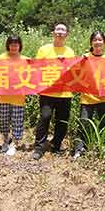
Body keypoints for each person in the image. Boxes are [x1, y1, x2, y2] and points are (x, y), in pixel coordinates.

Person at [32, 22, 75, 160]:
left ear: (67, 34)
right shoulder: (44, 49)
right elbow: (36, 68)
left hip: (65, 92)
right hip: (47, 91)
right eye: (58, 29)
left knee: (62, 121)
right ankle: (39, 147)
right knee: (45, 117)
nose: (60, 32)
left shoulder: (70, 51)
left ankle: (56, 145)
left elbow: (73, 71)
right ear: (53, 33)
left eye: (63, 30)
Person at [73, 31, 105, 160]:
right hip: (87, 98)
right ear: (91, 42)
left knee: (104, 124)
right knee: (84, 124)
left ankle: (104, 147)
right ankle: (79, 149)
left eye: (100, 40)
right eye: (95, 40)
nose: (97, 42)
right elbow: (75, 73)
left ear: (104, 42)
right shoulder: (85, 57)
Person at [0, 35, 28, 156]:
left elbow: (32, 76)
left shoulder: (25, 60)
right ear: (8, 45)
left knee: (17, 121)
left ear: (20, 46)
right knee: (3, 120)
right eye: (11, 44)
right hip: (3, 95)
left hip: (19, 96)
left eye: (16, 44)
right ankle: (5, 140)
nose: (14, 47)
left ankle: (14, 144)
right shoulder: (1, 58)